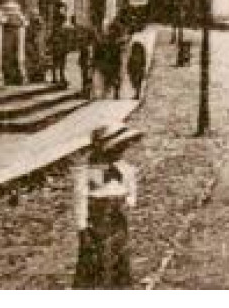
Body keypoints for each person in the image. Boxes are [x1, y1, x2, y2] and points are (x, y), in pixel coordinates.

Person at [73, 126, 138, 289]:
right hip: (97, 220)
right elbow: (80, 198)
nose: (120, 152)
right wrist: (82, 227)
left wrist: (127, 201)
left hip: (118, 218)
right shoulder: (86, 171)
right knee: (98, 258)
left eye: (122, 148)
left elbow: (131, 190)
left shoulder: (125, 168)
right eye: (116, 148)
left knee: (119, 254)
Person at [97, 29, 124, 99]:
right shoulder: (109, 46)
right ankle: (109, 92)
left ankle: (114, 92)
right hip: (111, 64)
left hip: (113, 64)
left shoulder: (114, 46)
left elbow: (117, 56)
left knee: (113, 79)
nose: (109, 39)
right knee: (110, 78)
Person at [49, 16, 72, 86]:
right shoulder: (59, 29)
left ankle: (59, 77)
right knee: (57, 63)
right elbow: (51, 38)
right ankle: (56, 78)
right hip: (58, 48)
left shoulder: (61, 29)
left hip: (60, 49)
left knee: (60, 64)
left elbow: (66, 39)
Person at [78, 27, 96, 100]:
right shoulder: (85, 46)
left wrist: (90, 63)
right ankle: (86, 92)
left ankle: (88, 93)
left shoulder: (90, 46)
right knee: (85, 78)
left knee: (88, 78)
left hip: (88, 64)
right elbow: (82, 55)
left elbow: (91, 56)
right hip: (86, 63)